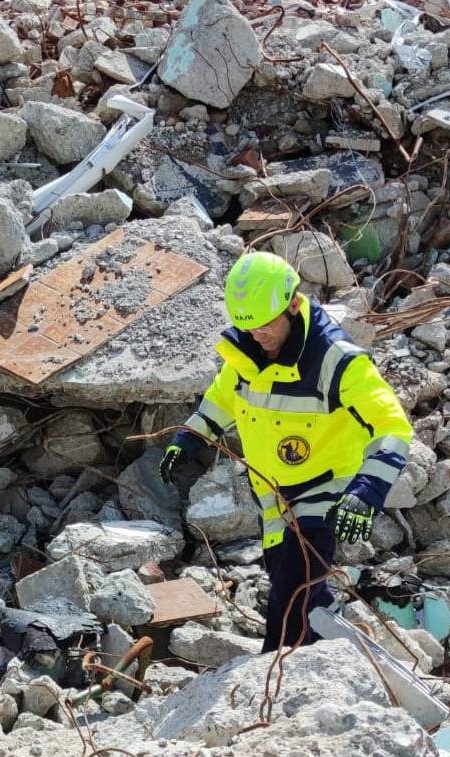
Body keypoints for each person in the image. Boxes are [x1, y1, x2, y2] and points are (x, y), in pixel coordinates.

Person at [159, 251, 412, 651]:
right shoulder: (247, 350)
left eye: (264, 326)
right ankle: (330, 649)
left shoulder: (336, 360)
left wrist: (367, 491)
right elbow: (224, 396)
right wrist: (189, 436)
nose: (256, 336)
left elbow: (393, 426)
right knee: (287, 580)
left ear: (293, 305)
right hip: (272, 494)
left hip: (324, 489)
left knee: (292, 595)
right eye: (248, 328)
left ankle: (277, 668)